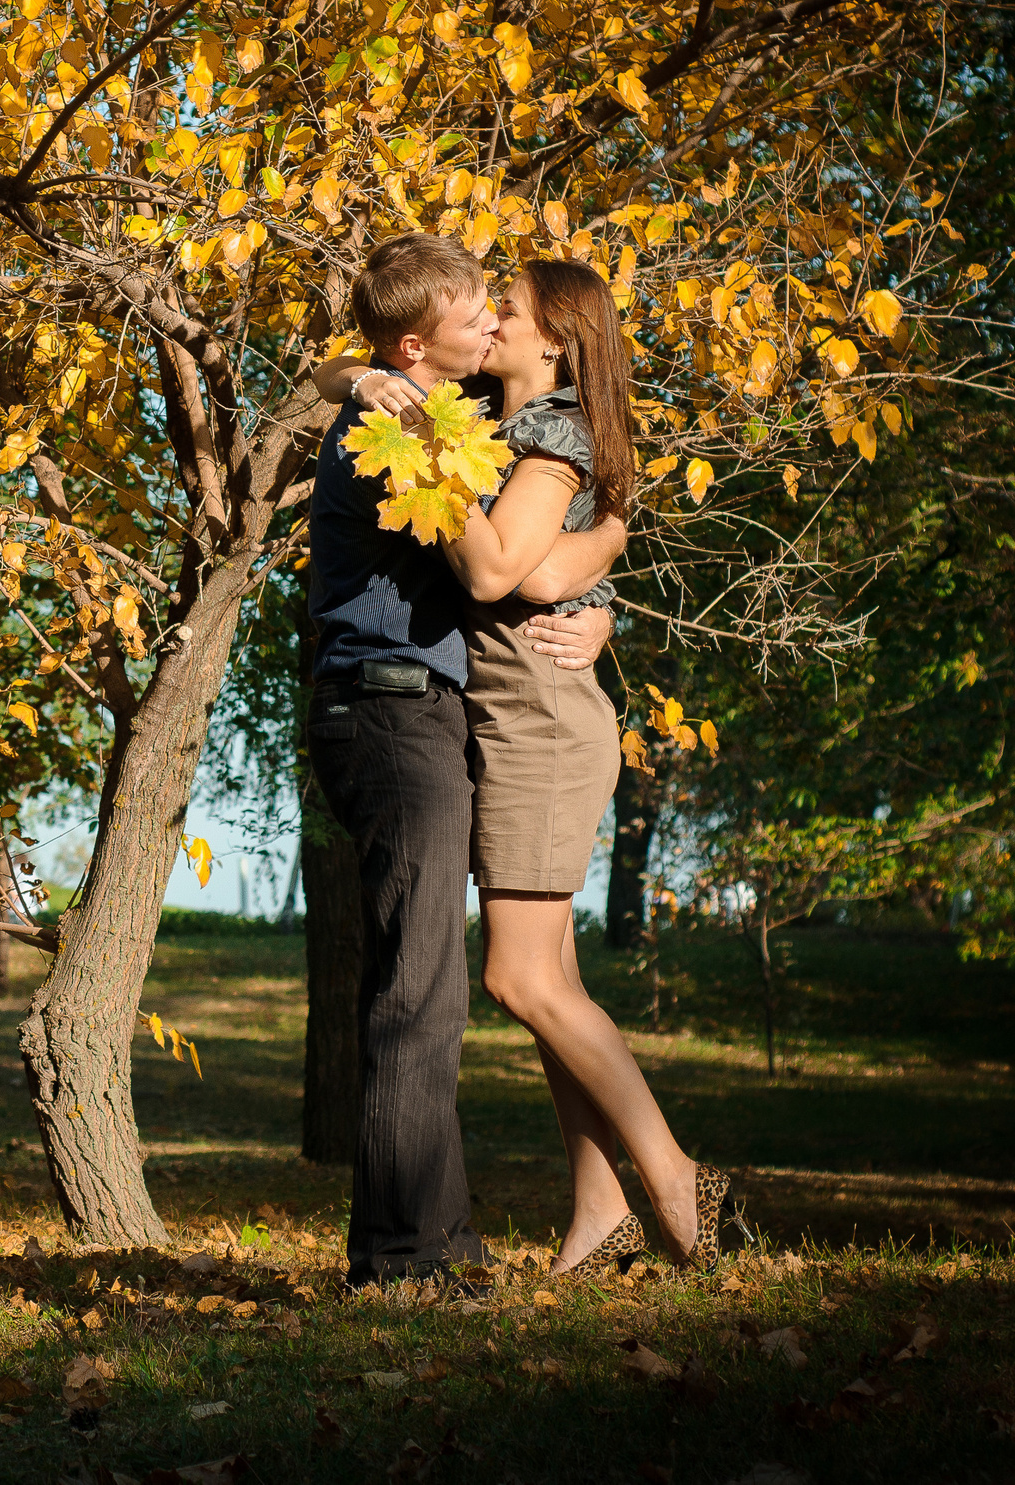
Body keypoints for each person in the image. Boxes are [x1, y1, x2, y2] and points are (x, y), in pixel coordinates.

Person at [303, 234, 624, 1289]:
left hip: (421, 712)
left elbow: (536, 535)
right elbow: (494, 571)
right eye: (475, 308)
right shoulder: (405, 435)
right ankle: (402, 1259)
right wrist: (369, 380)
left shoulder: (453, 420)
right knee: (416, 996)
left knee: (428, 990)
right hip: (390, 710)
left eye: (500, 307)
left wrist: (604, 587)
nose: (490, 319)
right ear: (416, 341)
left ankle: (437, 1243)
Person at [440, 260, 737, 1275]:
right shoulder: (478, 410)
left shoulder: (549, 434)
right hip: (520, 706)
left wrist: (583, 562)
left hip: (536, 715)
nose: (485, 321)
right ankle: (597, 1209)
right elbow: (327, 372)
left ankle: (673, 1176)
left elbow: (507, 569)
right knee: (550, 979)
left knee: (518, 975)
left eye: (505, 312)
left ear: (556, 341)